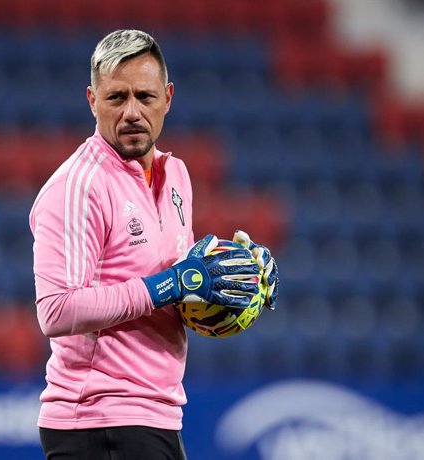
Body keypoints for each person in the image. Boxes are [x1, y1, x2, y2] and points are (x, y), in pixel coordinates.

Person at [29, 29, 278, 460]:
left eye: (144, 97)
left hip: (156, 414)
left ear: (168, 98)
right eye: (116, 98)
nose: (131, 112)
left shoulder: (177, 175)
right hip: (99, 420)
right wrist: (169, 284)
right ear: (92, 100)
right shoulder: (77, 186)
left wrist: (244, 274)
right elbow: (56, 310)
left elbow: (180, 281)